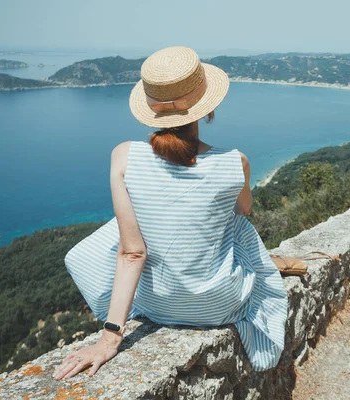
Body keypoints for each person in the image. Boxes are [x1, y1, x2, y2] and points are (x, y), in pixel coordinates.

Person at [52, 46, 288, 380]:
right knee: (235, 221)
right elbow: (244, 209)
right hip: (219, 306)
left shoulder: (124, 157)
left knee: (120, 229)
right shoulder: (236, 162)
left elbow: (132, 252)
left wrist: (109, 338)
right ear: (207, 109)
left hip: (156, 307)